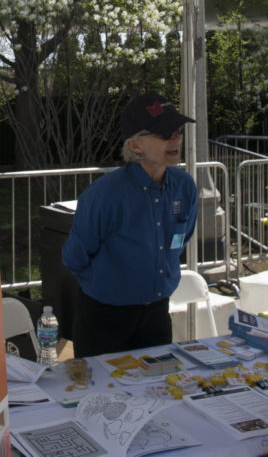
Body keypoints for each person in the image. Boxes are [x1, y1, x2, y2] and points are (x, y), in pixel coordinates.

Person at [62, 93, 198, 358]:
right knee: (102, 397)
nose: (176, 138)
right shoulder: (105, 195)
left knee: (157, 394)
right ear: (135, 146)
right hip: (104, 320)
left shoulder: (184, 186)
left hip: (157, 316)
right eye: (164, 133)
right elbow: (75, 256)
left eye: (178, 130)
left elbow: (182, 238)